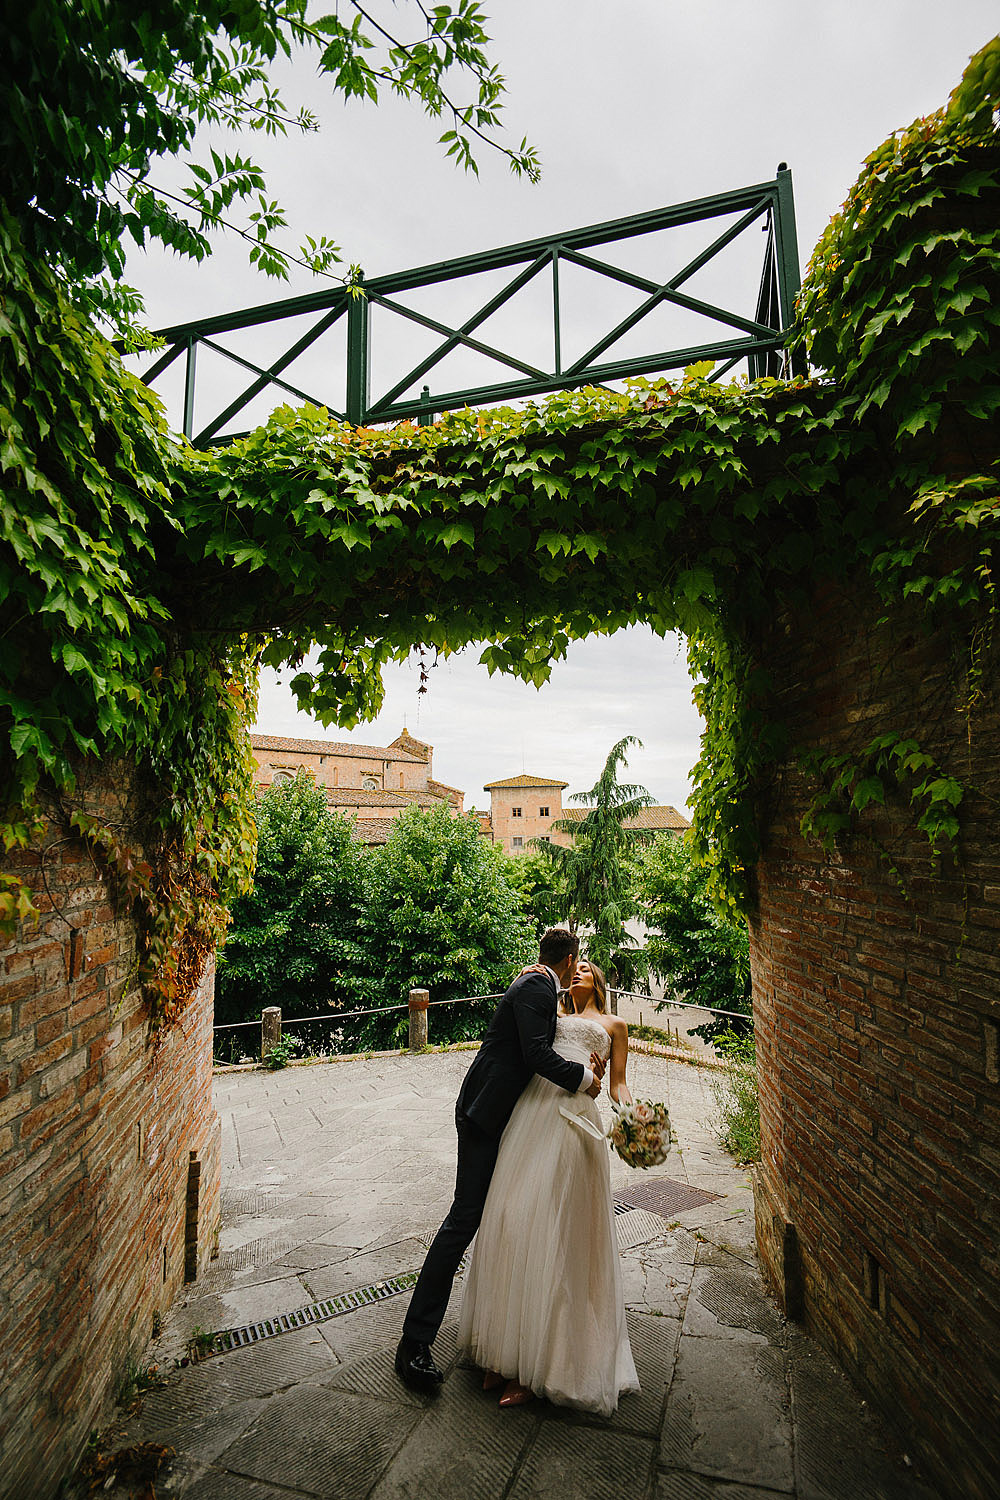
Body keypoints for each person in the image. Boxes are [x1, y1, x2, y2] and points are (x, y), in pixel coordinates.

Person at [395, 928, 605, 1394]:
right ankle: (413, 1345)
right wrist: (584, 1078)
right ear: (570, 959)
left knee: (499, 1218)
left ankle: (505, 1334)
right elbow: (535, 1055)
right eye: (578, 962)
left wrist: (588, 1064)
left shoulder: (539, 986)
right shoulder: (535, 985)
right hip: (483, 1115)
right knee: (463, 1221)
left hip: (504, 1119)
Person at [456, 957, 639, 1415]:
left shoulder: (614, 1026)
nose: (577, 972)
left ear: (598, 981)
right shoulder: (551, 1012)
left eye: (586, 968)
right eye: (572, 968)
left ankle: (542, 1364)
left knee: (558, 1232)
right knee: (511, 1218)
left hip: (576, 1120)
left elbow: (617, 1085)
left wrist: (636, 1119)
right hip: (531, 1116)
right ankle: (505, 1350)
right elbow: (528, 1049)